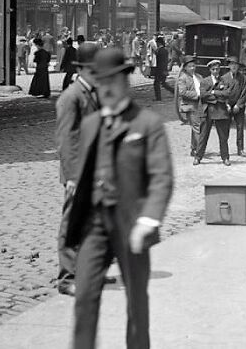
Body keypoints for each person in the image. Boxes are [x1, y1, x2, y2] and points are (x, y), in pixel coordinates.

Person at [66, 47, 173, 349]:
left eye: (113, 81)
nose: (107, 88)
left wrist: (148, 220)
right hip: (94, 224)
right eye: (101, 83)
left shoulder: (147, 124)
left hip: (132, 223)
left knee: (136, 299)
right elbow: (82, 167)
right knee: (85, 294)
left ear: (125, 81)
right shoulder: (90, 125)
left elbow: (162, 177)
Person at [54, 41, 101, 296]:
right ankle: (67, 278)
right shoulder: (71, 97)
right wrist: (72, 176)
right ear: (83, 69)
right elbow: (65, 140)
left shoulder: (92, 94)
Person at [194, 59, 232, 165]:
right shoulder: (205, 81)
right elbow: (203, 95)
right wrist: (217, 98)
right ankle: (198, 157)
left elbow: (227, 93)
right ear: (210, 70)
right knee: (203, 135)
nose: (216, 71)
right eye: (213, 69)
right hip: (207, 111)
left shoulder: (224, 80)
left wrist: (214, 92)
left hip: (220, 111)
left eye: (217, 69)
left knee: (223, 136)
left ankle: (225, 157)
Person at [222, 55, 246, 157]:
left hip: (239, 106)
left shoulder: (243, 78)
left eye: (236, 65)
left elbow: (245, 92)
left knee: (240, 127)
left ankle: (240, 149)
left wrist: (238, 105)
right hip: (227, 106)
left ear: (238, 67)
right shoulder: (224, 78)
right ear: (229, 66)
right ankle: (225, 150)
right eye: (232, 64)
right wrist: (227, 104)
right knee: (225, 128)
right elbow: (222, 92)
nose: (234, 67)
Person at [177, 55, 204, 156]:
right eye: (190, 66)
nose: (192, 68)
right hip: (191, 106)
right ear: (185, 68)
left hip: (200, 105)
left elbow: (205, 87)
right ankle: (199, 150)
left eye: (194, 66)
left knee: (196, 127)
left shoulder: (199, 76)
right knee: (197, 127)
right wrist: (197, 95)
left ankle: (194, 148)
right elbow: (182, 92)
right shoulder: (182, 78)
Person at [152, 35, 173, 101]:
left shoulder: (160, 50)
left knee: (156, 84)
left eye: (157, 42)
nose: (156, 43)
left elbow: (161, 61)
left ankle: (158, 98)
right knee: (163, 83)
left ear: (159, 43)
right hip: (163, 69)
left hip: (160, 70)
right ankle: (174, 92)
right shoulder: (164, 50)